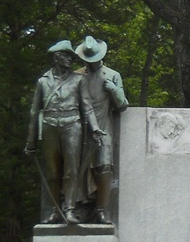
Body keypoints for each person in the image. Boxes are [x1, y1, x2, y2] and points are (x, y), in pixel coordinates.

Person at [25, 40, 100, 224]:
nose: (70, 59)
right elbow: (35, 112)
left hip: (72, 124)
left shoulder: (78, 80)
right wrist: (31, 141)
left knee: (71, 171)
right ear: (57, 57)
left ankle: (69, 209)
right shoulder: (43, 82)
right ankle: (55, 210)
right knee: (53, 173)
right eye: (67, 56)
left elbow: (87, 107)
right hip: (50, 125)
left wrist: (95, 128)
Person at [76, 35, 128, 224]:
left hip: (104, 125)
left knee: (104, 167)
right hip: (82, 129)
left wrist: (114, 90)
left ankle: (101, 209)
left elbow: (122, 105)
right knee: (79, 169)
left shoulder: (112, 75)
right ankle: (79, 207)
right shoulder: (77, 76)